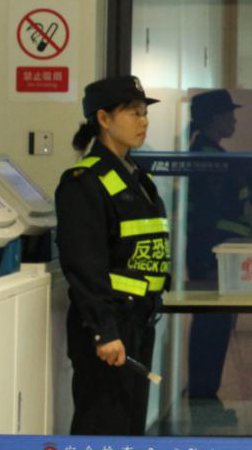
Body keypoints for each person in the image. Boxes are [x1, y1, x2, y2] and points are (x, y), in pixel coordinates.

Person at [55, 75, 168, 436]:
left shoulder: (137, 178)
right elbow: (83, 265)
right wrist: (104, 330)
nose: (143, 121)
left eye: (144, 113)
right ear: (103, 119)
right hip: (109, 326)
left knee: (129, 428)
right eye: (133, 113)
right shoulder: (83, 181)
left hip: (138, 320)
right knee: (102, 426)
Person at [185, 88, 248, 418]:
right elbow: (209, 217)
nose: (234, 120)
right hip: (212, 257)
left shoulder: (211, 153)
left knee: (216, 324)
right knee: (211, 325)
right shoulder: (208, 160)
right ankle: (203, 394)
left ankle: (207, 392)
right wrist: (211, 261)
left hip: (219, 255)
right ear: (214, 118)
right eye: (229, 114)